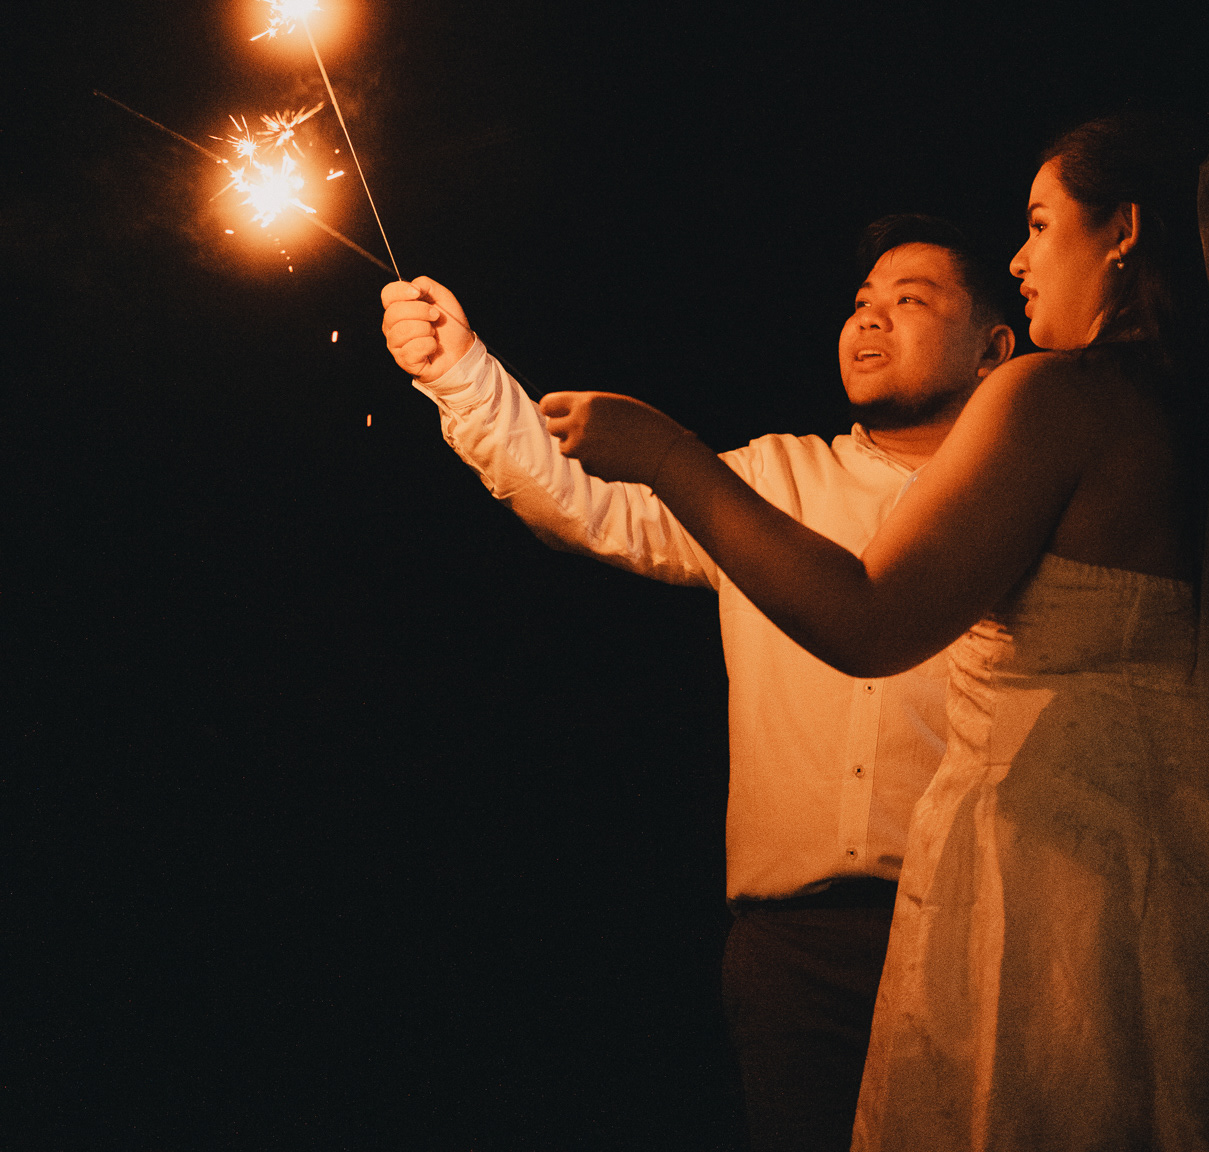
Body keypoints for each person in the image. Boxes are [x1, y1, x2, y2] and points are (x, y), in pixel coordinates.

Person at [540, 116, 1209, 1149]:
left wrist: (668, 455)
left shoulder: (1057, 395)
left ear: (1122, 232)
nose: (1018, 258)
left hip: (1064, 906)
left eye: (1040, 222)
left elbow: (869, 616)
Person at [381, 216, 1015, 1152]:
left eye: (909, 301)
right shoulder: (770, 478)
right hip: (791, 948)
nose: (868, 319)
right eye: (860, 302)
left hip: (977, 930)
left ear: (994, 349)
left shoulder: (1021, 502)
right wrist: (459, 371)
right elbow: (590, 505)